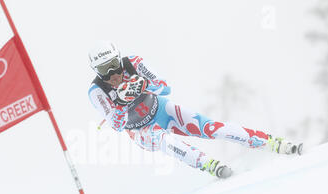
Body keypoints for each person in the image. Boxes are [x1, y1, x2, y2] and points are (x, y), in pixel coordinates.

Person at [87, 42, 302, 179]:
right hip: (140, 130)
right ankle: (208, 165)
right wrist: (123, 101)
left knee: (211, 128)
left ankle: (273, 142)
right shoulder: (97, 91)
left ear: (119, 57)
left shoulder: (133, 63)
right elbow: (116, 125)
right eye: (105, 69)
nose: (113, 72)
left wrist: (142, 85)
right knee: (162, 139)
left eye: (114, 63)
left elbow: (165, 87)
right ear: (97, 71)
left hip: (162, 110)